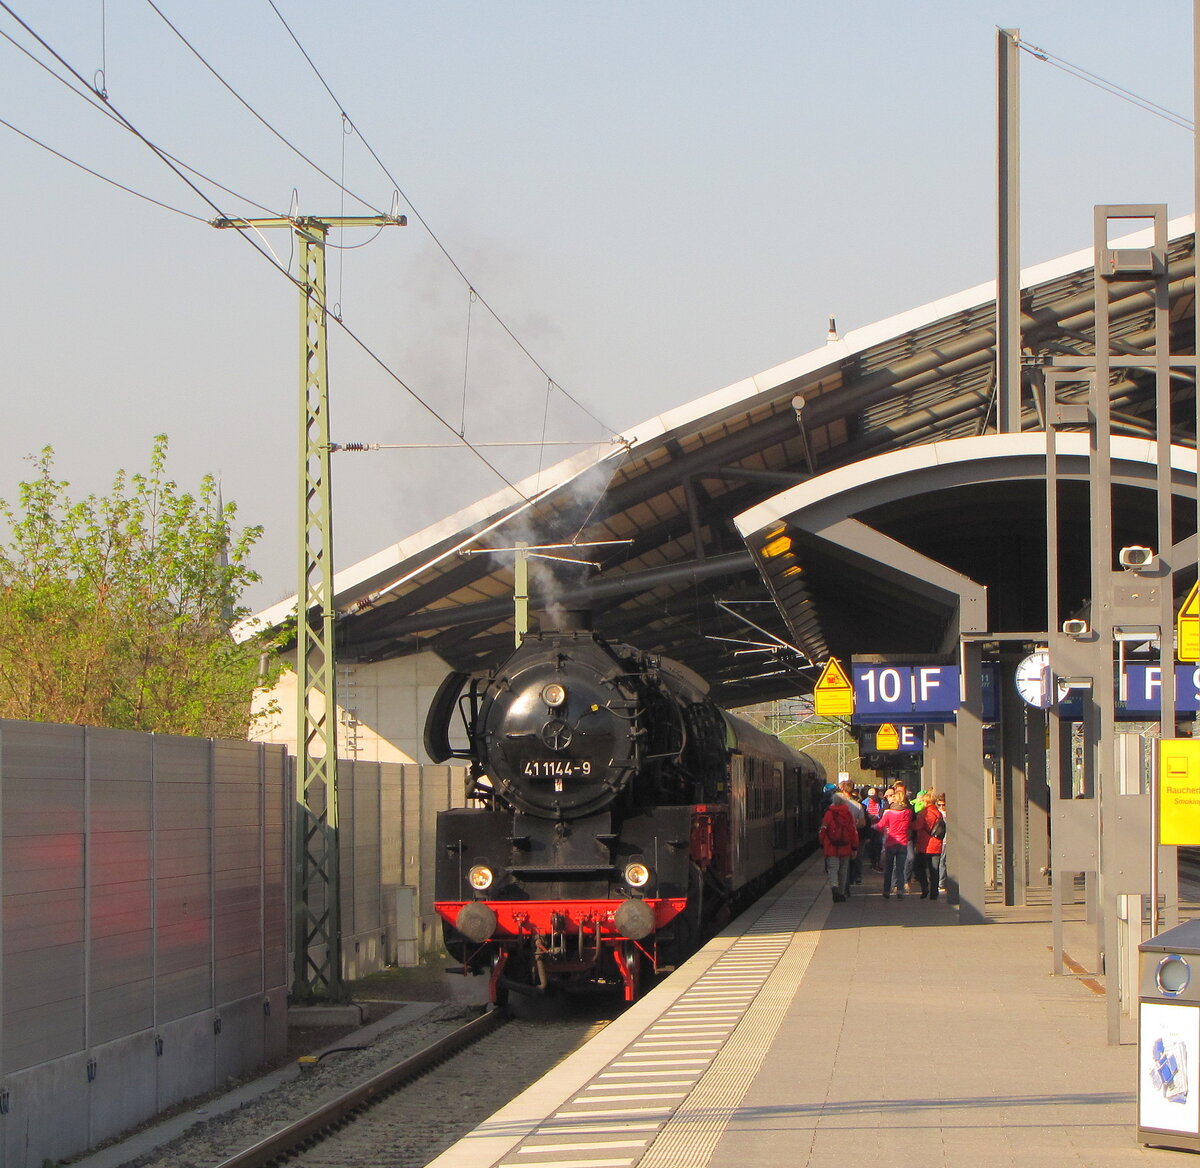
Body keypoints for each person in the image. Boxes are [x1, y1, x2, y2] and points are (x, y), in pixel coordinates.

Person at [819, 785, 858, 903]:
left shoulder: (828, 814)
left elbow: (823, 830)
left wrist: (822, 843)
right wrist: (854, 846)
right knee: (843, 870)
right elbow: (853, 831)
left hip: (831, 847)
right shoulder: (848, 814)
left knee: (833, 868)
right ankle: (841, 893)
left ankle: (834, 887)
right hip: (845, 846)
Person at [874, 791, 913, 898]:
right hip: (903, 842)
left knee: (889, 868)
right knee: (900, 868)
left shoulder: (889, 813)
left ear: (895, 800)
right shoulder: (908, 813)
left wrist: (875, 827)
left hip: (891, 843)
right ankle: (900, 890)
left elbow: (880, 826)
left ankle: (887, 890)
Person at [912, 790, 945, 899]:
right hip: (937, 844)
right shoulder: (938, 813)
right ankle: (934, 893)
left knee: (918, 867)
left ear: (926, 801)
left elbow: (917, 826)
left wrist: (910, 824)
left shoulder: (924, 813)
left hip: (924, 844)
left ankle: (925, 887)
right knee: (934, 870)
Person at [835, 776, 866, 891]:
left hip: (837, 837)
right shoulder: (857, 805)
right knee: (849, 861)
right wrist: (853, 825)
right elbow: (862, 823)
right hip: (852, 836)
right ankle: (848, 884)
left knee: (839, 863)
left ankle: (840, 886)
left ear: (842, 789)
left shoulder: (835, 805)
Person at [935, 793, 948, 891]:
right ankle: (941, 883)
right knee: (942, 862)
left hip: (948, 841)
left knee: (944, 862)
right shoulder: (938, 814)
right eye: (939, 805)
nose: (941, 807)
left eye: (943, 805)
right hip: (942, 841)